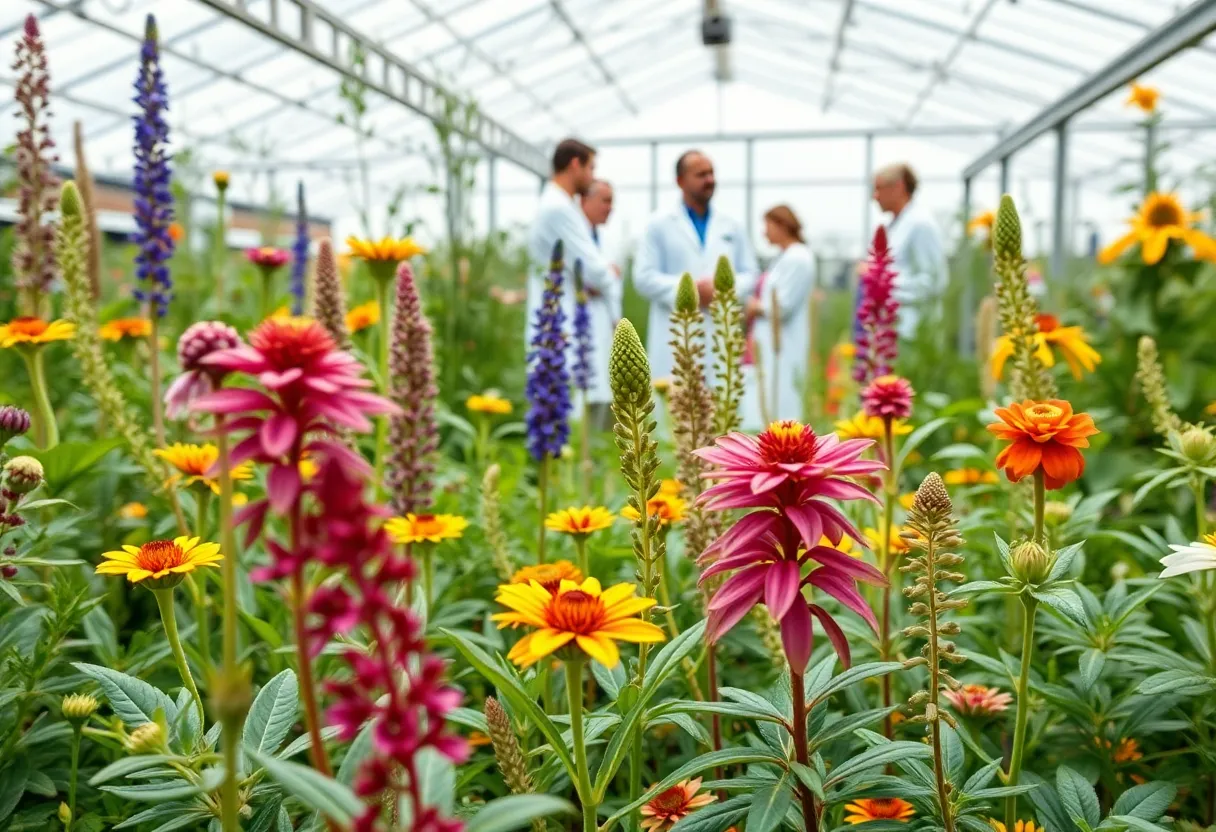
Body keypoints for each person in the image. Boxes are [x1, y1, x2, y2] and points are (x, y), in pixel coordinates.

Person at [635, 149, 757, 382]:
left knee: (721, 407)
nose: (709, 180)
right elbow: (643, 277)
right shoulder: (658, 224)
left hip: (720, 332)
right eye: (701, 175)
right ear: (680, 181)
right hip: (675, 333)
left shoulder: (732, 224)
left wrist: (724, 289)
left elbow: (750, 274)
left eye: (711, 173)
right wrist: (688, 290)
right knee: (676, 407)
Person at [527, 139, 615, 408]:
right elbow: (597, 272)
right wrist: (609, 274)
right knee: (569, 412)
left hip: (561, 322)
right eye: (591, 167)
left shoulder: (559, 205)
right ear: (575, 164)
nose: (592, 176)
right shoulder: (559, 209)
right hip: (560, 324)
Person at [742, 206, 816, 429]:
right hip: (769, 344)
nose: (765, 233)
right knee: (766, 399)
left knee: (783, 401)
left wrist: (756, 307)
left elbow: (783, 305)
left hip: (784, 346)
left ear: (783, 225)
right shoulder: (784, 257)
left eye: (768, 226)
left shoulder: (799, 258)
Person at [871, 163, 948, 338]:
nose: (875, 196)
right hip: (892, 330)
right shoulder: (894, 225)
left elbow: (935, 281)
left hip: (916, 333)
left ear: (899, 187)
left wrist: (883, 284)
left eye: (879, 189)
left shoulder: (921, 224)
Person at [580, 179, 622, 427]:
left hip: (606, 323)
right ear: (586, 200)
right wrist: (605, 276)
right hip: (582, 323)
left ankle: (596, 453)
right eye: (605, 201)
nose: (610, 208)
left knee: (606, 396)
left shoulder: (607, 240)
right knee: (582, 396)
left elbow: (609, 282)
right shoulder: (574, 235)